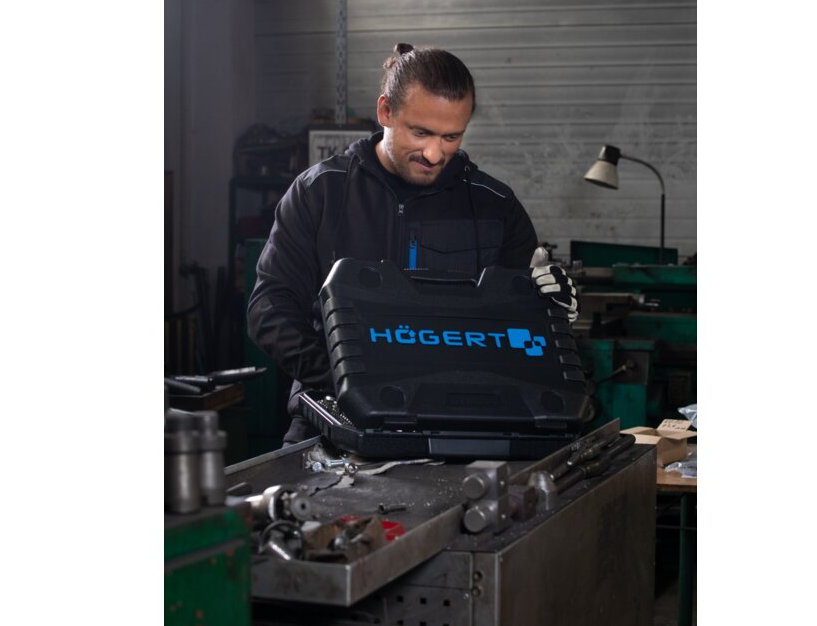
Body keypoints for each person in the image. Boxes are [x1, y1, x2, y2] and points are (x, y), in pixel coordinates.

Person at [247, 43, 576, 445]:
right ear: (386, 111)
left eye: (451, 136)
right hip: (331, 424)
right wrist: (349, 378)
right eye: (420, 132)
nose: (435, 153)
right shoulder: (320, 193)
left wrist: (551, 309)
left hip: (463, 429)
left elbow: (524, 335)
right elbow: (269, 311)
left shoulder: (496, 206)